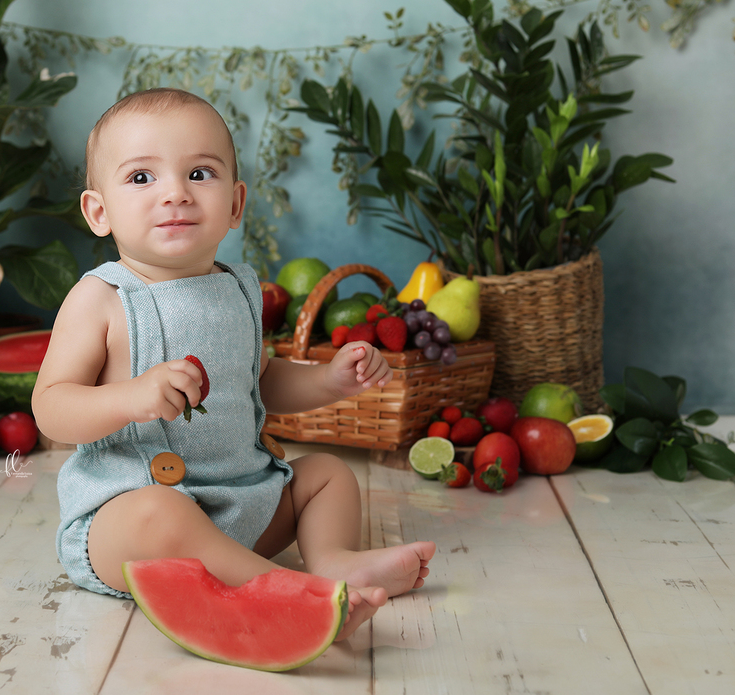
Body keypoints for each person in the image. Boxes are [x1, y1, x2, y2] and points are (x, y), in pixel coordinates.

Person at [32, 88, 435, 639]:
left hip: (247, 503)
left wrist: (327, 380)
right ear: (99, 212)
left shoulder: (241, 288)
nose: (175, 194)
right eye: (142, 178)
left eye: (200, 174)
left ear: (236, 204)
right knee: (160, 512)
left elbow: (259, 381)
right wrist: (131, 397)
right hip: (131, 526)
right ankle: (281, 593)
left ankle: (334, 560)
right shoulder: (101, 298)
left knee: (327, 475)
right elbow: (51, 408)